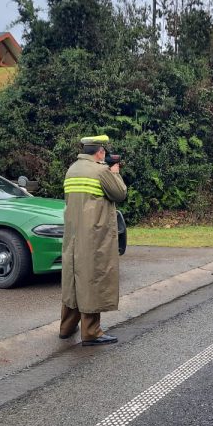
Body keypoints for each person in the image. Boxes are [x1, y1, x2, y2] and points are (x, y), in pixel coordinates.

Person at [59, 134, 127, 346]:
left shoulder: (72, 170)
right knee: (92, 279)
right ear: (100, 152)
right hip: (95, 235)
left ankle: (66, 327)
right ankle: (91, 332)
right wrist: (115, 172)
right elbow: (120, 194)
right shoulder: (101, 171)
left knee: (73, 279)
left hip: (73, 234)